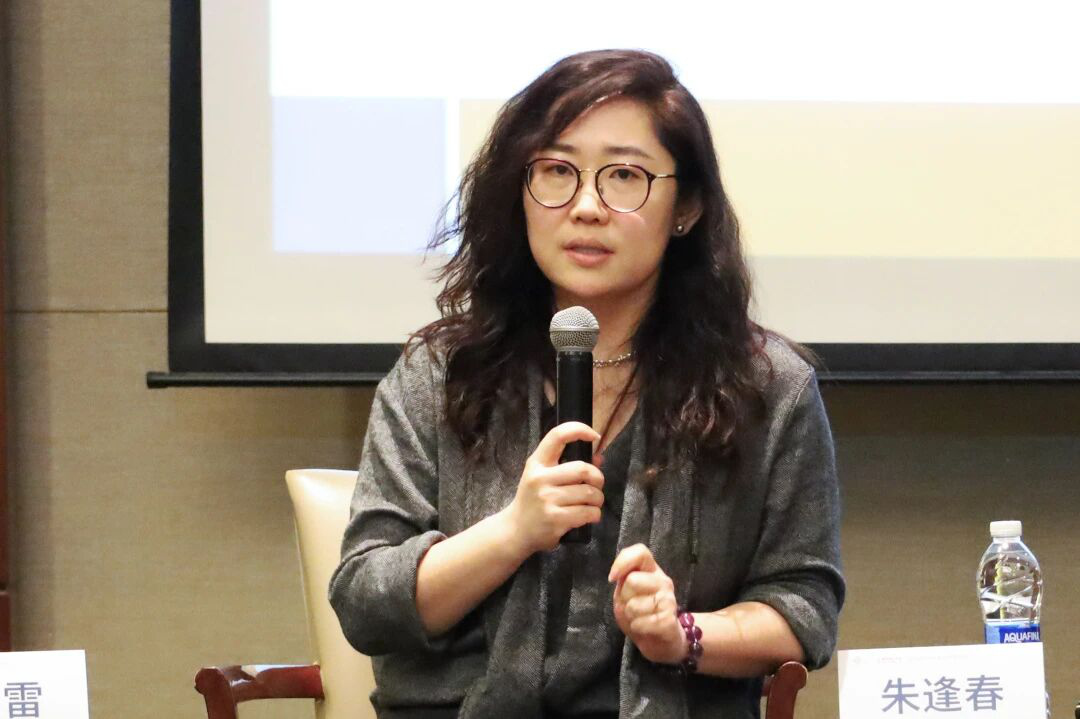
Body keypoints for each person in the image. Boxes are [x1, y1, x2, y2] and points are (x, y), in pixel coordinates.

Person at [329, 49, 844, 719]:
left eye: (624, 175)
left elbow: (803, 606)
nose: (587, 206)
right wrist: (512, 532)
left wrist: (681, 635)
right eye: (557, 171)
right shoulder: (441, 372)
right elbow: (365, 600)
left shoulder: (766, 388)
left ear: (686, 205)